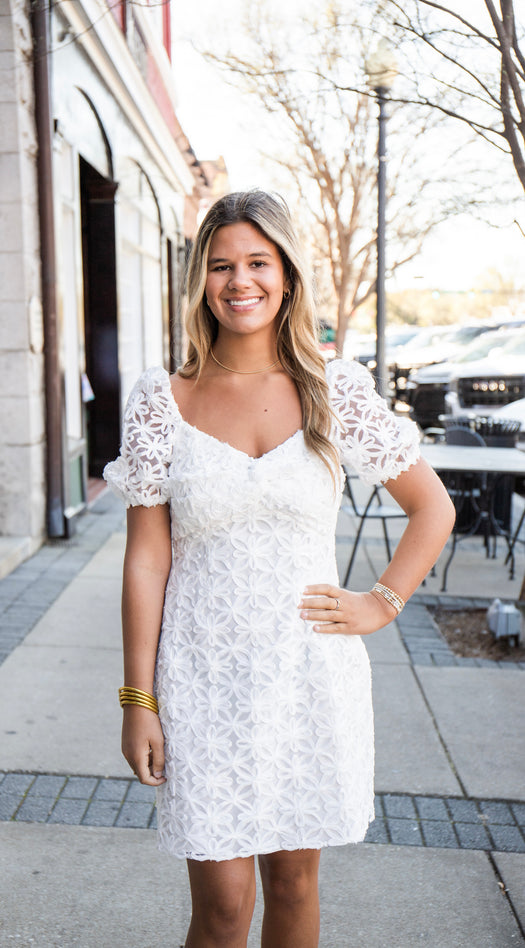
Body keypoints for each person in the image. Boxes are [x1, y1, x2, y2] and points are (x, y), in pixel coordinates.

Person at [104, 190, 455, 948]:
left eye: (258, 262)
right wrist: (139, 697)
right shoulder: (162, 401)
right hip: (200, 676)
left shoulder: (334, 392)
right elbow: (146, 555)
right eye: (221, 264)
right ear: (200, 278)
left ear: (287, 276)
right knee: (223, 908)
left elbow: (433, 508)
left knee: (294, 885)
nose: (240, 281)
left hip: (307, 675)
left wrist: (381, 603)